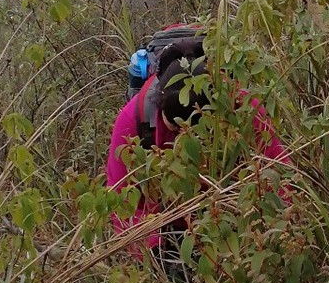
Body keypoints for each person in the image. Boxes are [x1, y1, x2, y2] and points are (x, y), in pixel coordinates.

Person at [106, 38, 288, 259]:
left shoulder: (244, 110)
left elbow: (279, 178)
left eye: (195, 130)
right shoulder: (132, 121)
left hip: (232, 222)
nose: (185, 139)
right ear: (159, 105)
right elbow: (123, 203)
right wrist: (156, 253)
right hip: (166, 230)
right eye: (175, 127)